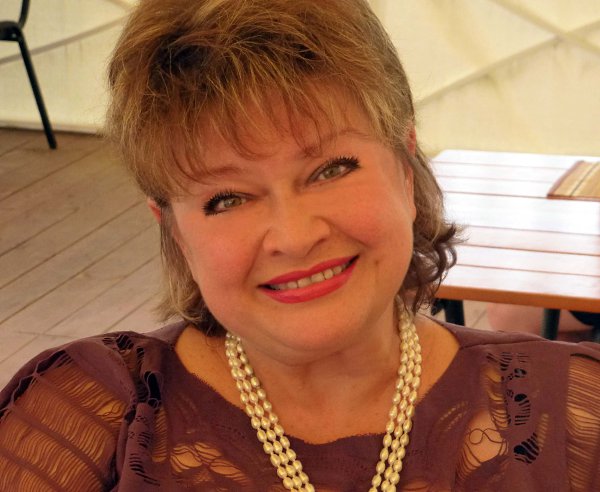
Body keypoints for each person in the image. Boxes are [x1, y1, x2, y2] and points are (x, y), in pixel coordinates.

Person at [1, 0, 600, 490]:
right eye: (227, 199)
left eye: (331, 169)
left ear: (404, 166)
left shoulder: (579, 415)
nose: (293, 236)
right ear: (174, 229)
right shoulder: (87, 418)